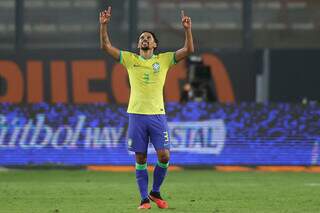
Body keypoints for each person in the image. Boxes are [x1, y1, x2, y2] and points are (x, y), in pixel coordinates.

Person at [99, 6, 194, 210]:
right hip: (136, 115)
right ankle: (144, 199)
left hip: (158, 115)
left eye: (148, 37)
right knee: (140, 158)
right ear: (138, 43)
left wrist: (187, 29)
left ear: (155, 44)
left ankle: (155, 191)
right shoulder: (130, 59)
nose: (145, 39)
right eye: (142, 37)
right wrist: (103, 26)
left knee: (165, 156)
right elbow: (106, 46)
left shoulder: (165, 60)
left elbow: (188, 50)